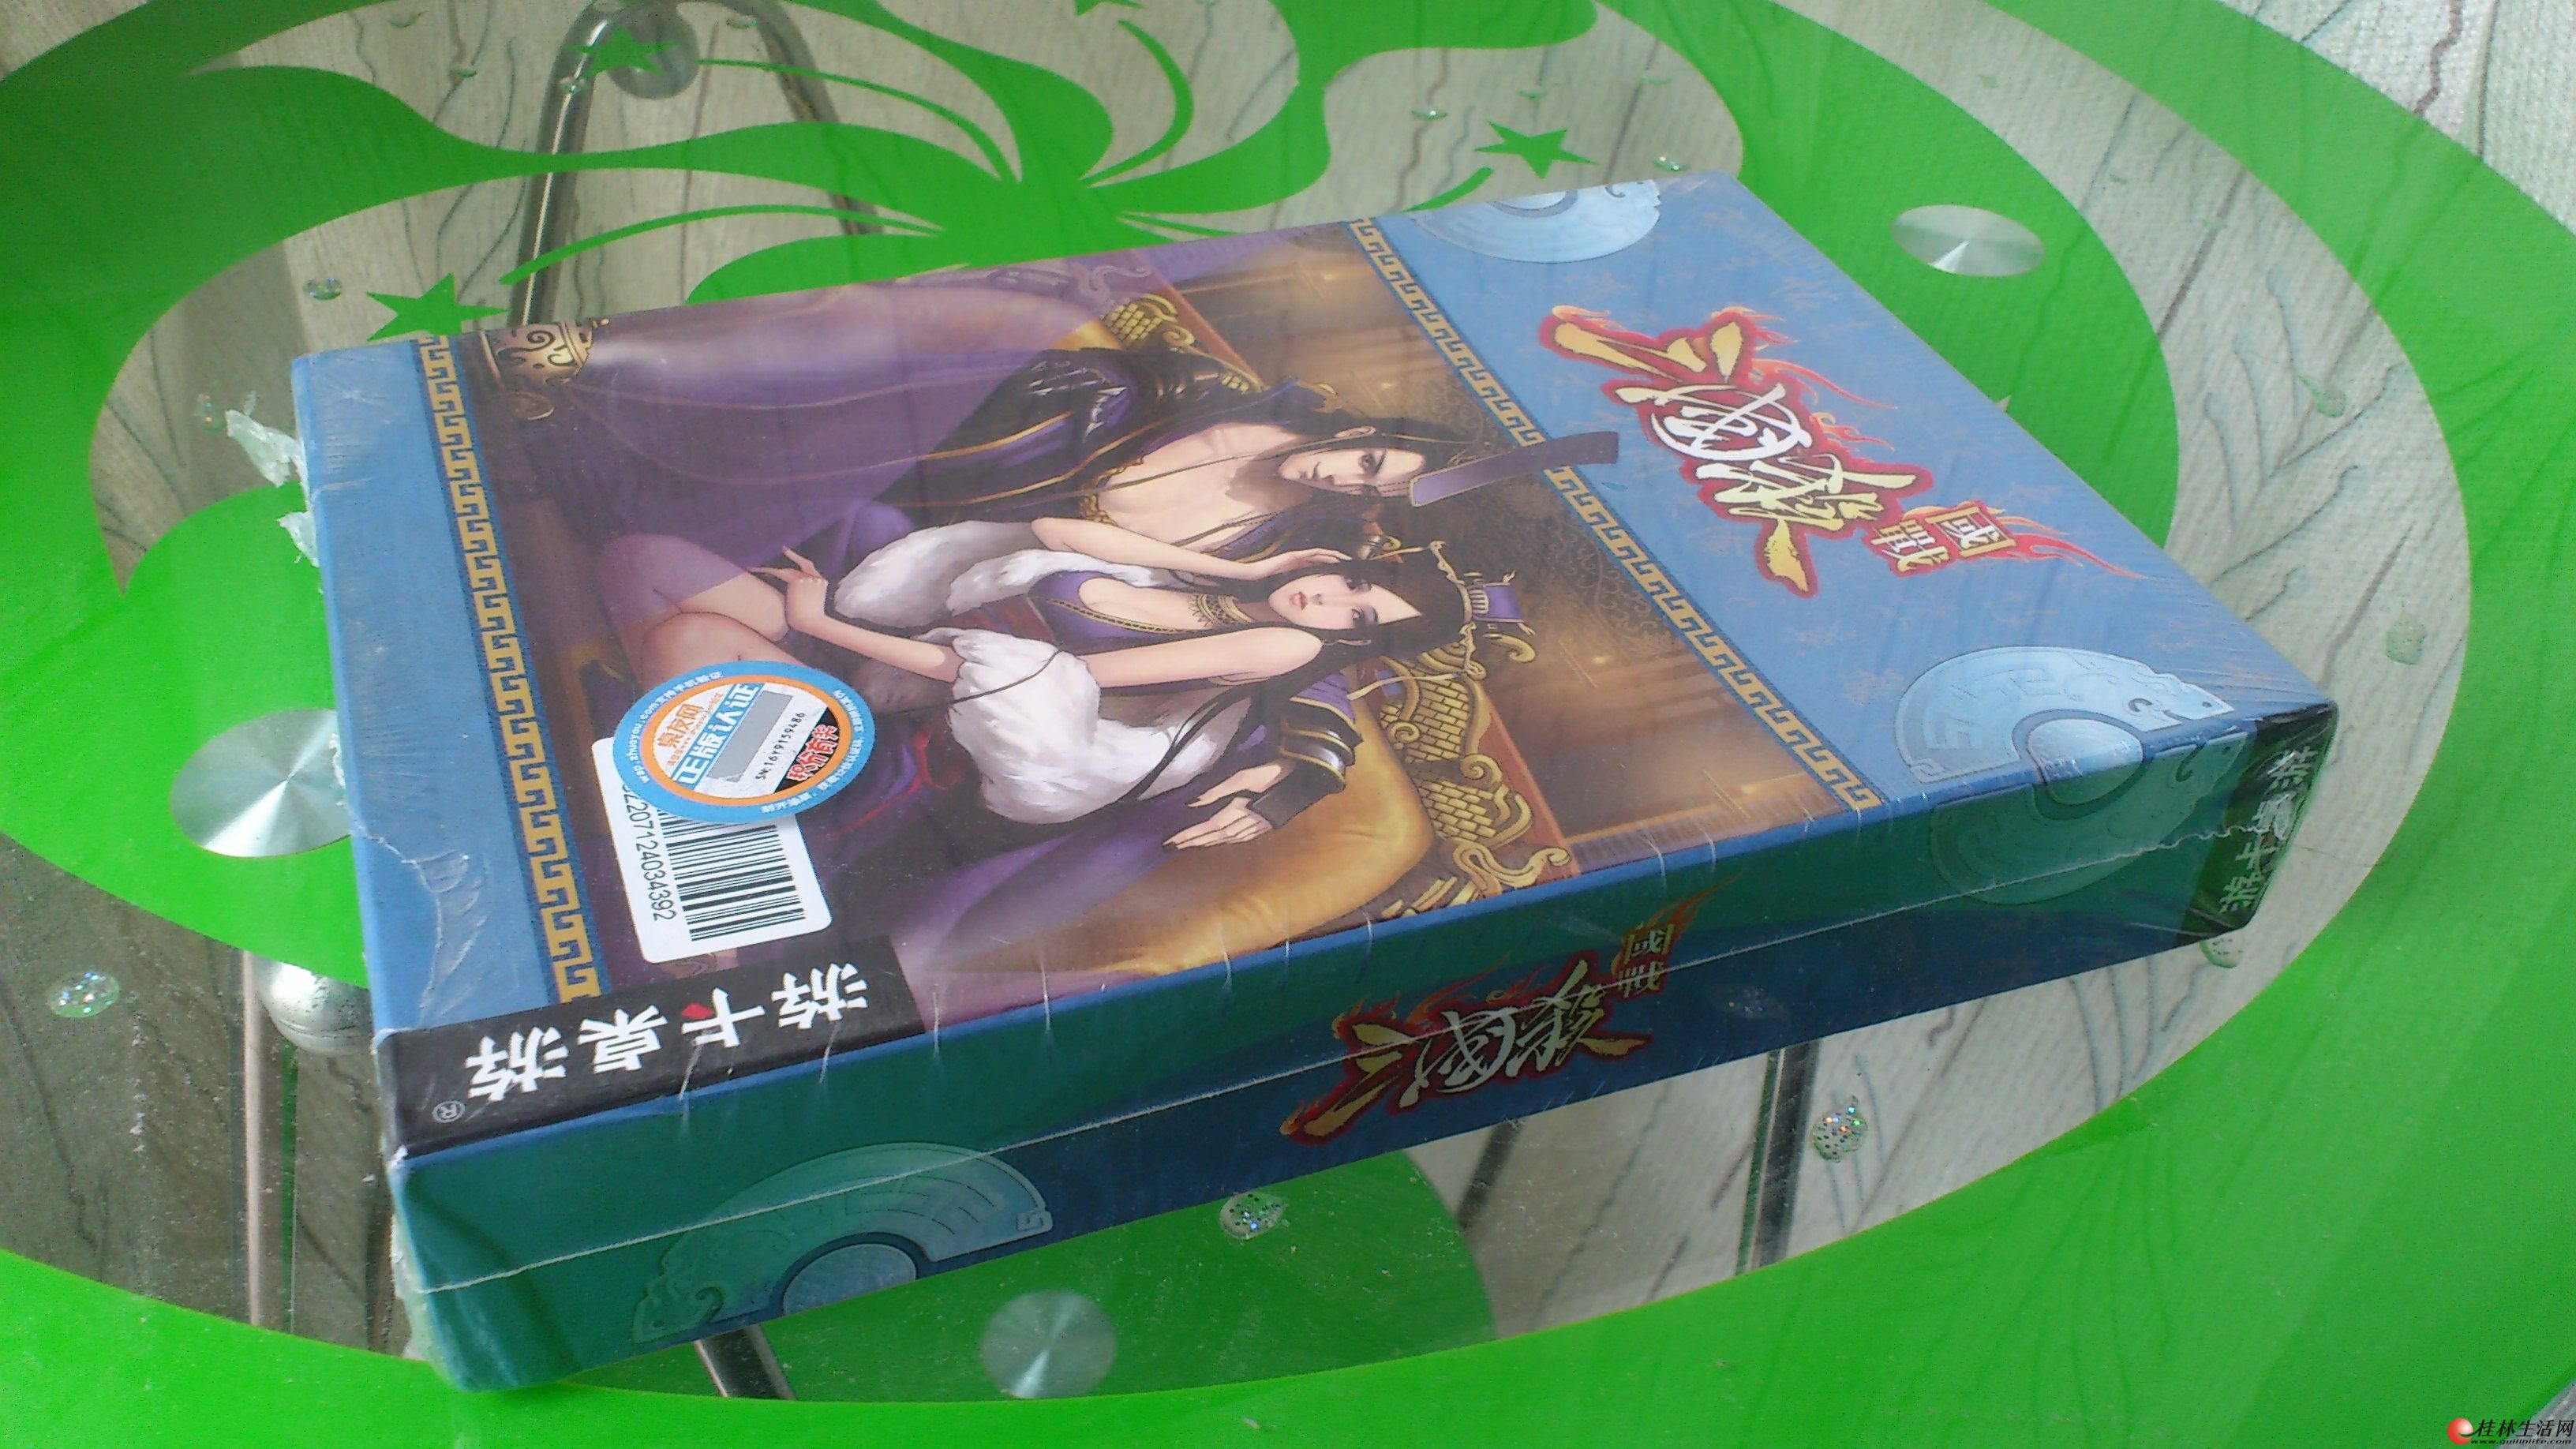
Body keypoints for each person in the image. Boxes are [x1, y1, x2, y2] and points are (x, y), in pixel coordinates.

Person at [662, 534, 1523, 1018]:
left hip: (945, 729)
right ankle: (694, 848)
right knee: (668, 599)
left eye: (1356, 615)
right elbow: (1058, 531)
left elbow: (1041, 677)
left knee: (698, 648)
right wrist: (1245, 570)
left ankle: (712, 902)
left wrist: (822, 624)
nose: (1327, 599)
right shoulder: (1220, 579)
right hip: (904, 667)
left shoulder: (1283, 645)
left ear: (1357, 641)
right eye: (1350, 580)